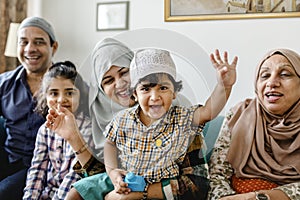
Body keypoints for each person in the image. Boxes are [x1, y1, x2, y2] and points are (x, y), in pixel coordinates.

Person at [50, 38, 237, 200]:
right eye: (108, 80)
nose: (120, 83)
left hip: (163, 183)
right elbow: (106, 156)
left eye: (124, 72)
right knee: (77, 192)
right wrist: (76, 139)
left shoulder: (180, 115)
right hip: (127, 179)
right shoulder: (116, 119)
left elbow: (196, 186)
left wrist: (224, 86)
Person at [208, 48, 300, 200]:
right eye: (264, 75)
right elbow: (217, 174)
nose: (272, 82)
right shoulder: (239, 114)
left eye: (284, 74)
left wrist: (259, 197)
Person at [0, 16, 58, 199]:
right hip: (8, 158)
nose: (30, 49)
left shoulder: (71, 86)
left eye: (39, 42)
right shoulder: (4, 83)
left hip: (46, 166)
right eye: (23, 42)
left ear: (53, 47)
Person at [22, 61, 91, 199]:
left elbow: (74, 177)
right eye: (53, 93)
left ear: (81, 97)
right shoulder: (45, 130)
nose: (61, 99)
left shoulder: (87, 128)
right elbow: (37, 169)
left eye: (69, 93)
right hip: (48, 192)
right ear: (45, 97)